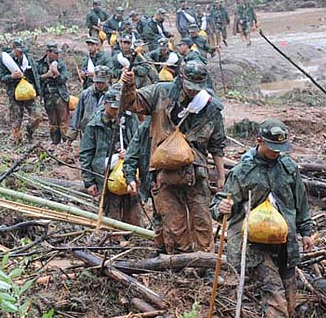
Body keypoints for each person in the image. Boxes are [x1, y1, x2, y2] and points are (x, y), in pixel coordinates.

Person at [211, 120, 314, 318]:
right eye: (272, 148)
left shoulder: (288, 168)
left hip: (285, 243)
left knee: (289, 301)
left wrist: (306, 232)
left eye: (280, 149)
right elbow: (219, 204)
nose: (277, 153)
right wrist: (221, 207)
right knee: (275, 297)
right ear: (259, 142)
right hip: (253, 244)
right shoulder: (244, 171)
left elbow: (300, 202)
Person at [119, 60, 226, 252]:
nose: (192, 91)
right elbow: (132, 103)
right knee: (174, 224)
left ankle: (205, 260)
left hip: (196, 172)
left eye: (196, 88)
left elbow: (217, 145)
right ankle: (179, 260)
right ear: (181, 78)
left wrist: (220, 176)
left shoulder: (210, 107)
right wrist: (128, 85)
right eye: (189, 86)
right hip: (164, 171)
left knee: (202, 221)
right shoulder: (161, 92)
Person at [78, 86, 141, 224]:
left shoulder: (129, 119)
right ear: (105, 104)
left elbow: (139, 141)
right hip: (105, 174)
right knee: (112, 214)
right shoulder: (94, 124)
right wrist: (89, 182)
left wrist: (129, 152)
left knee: (133, 211)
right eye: (113, 108)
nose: (116, 111)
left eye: (119, 107)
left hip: (129, 172)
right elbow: (85, 154)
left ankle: (134, 233)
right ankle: (114, 235)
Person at [0, 39, 41, 144]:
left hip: (29, 91)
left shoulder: (28, 59)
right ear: (14, 49)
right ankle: (17, 141)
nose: (21, 53)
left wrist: (38, 90)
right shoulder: (6, 59)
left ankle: (29, 134)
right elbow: (0, 77)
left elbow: (35, 75)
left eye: (23, 51)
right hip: (14, 93)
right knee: (16, 120)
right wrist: (11, 77)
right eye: (19, 51)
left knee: (37, 116)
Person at [35, 43, 70, 145]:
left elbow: (64, 79)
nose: (57, 55)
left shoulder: (61, 64)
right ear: (48, 53)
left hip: (60, 95)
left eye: (57, 53)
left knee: (63, 120)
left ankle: (66, 142)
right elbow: (35, 79)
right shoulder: (40, 65)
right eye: (55, 53)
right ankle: (55, 142)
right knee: (53, 121)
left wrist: (56, 73)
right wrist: (46, 75)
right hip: (47, 96)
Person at [68, 65, 111, 142]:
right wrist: (71, 135)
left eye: (102, 82)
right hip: (87, 132)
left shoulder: (112, 96)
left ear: (107, 81)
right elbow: (77, 114)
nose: (100, 85)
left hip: (105, 134)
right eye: (98, 82)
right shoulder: (86, 94)